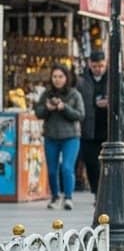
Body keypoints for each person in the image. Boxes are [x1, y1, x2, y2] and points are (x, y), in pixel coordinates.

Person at [75, 51, 124, 195]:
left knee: (110, 164)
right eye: (95, 66)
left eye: (101, 65)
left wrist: (111, 103)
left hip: (109, 129)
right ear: (90, 64)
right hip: (89, 129)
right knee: (91, 164)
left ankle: (108, 192)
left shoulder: (114, 78)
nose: (98, 69)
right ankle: (97, 193)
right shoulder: (82, 81)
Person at [35, 64, 84, 210]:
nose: (57, 80)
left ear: (66, 77)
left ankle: (68, 197)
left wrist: (64, 108)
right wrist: (47, 109)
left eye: (60, 76)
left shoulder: (74, 94)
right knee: (51, 169)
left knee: (67, 168)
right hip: (51, 136)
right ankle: (55, 196)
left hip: (71, 137)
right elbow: (38, 112)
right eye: (54, 76)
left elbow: (80, 115)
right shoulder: (46, 93)